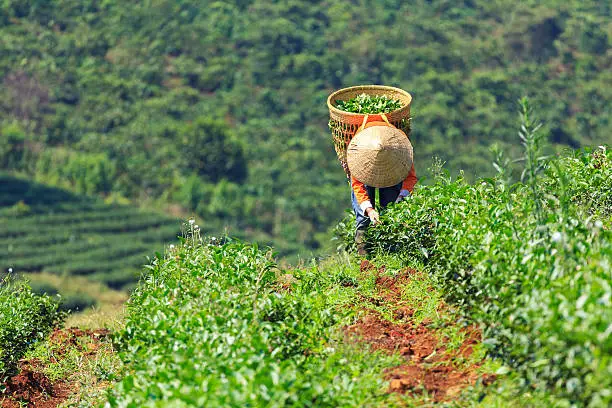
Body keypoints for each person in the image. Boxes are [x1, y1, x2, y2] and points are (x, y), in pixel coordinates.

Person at [346, 119, 417, 256]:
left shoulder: (400, 149)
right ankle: (364, 260)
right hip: (366, 163)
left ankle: (391, 255)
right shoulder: (359, 152)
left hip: (392, 173)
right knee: (363, 219)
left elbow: (410, 178)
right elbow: (358, 185)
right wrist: (370, 210)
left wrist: (400, 198)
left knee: (392, 214)